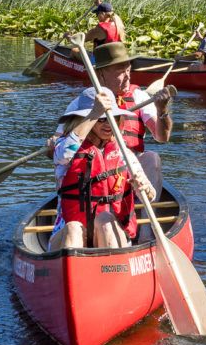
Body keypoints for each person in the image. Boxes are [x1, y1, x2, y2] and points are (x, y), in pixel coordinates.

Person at [48, 41, 174, 199]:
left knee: (152, 158)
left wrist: (162, 110)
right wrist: (53, 143)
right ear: (100, 75)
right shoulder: (82, 103)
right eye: (121, 71)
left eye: (129, 69)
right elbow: (58, 151)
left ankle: (147, 219)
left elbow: (162, 137)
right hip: (94, 167)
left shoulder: (139, 97)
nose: (128, 76)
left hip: (129, 164)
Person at [49, 87, 156, 251]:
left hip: (112, 233)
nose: (107, 124)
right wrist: (94, 112)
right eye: (100, 119)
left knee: (105, 218)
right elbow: (64, 153)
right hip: (71, 236)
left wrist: (145, 188)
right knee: (73, 227)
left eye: (112, 117)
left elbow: (151, 196)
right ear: (85, 120)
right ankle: (71, 271)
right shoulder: (64, 147)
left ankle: (110, 269)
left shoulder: (122, 152)